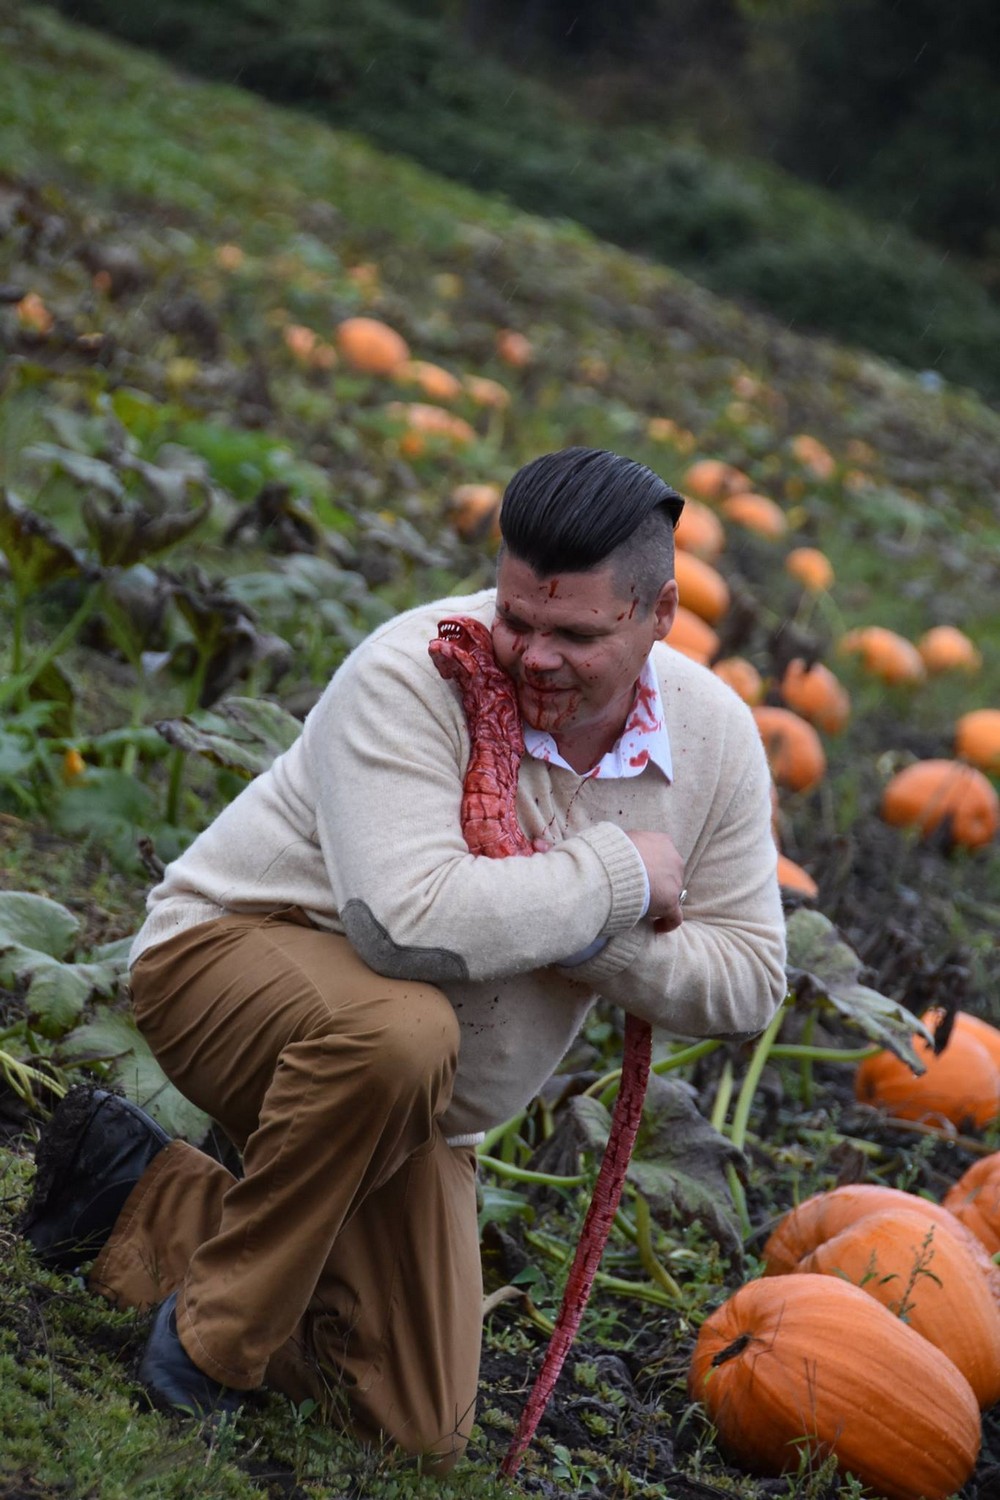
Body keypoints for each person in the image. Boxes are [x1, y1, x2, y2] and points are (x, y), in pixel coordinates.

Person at [22, 446, 786, 1472]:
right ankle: (209, 1347)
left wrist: (566, 921)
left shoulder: (716, 741)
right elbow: (404, 925)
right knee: (402, 1026)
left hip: (424, 1106)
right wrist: (609, 885)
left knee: (414, 1422)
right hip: (232, 969)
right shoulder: (415, 668)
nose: (532, 656)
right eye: (518, 617)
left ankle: (134, 1194)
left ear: (658, 613)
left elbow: (747, 978)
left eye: (574, 634)